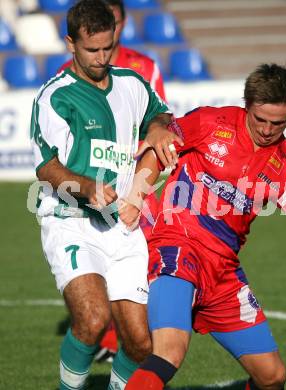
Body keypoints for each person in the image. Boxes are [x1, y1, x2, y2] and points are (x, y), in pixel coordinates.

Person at [122, 64, 286, 390]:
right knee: (169, 353)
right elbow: (159, 148)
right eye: (261, 120)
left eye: (279, 123)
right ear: (247, 105)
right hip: (177, 246)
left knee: (272, 377)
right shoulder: (211, 123)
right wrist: (136, 195)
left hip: (223, 270)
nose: (269, 130)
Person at [29, 1, 181, 389]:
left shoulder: (131, 84)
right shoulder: (55, 97)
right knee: (93, 320)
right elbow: (48, 168)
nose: (101, 58)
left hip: (123, 226)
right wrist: (87, 187)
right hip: (71, 222)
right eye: (91, 50)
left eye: (107, 48)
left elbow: (161, 115)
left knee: (141, 342)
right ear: (70, 44)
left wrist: (161, 128)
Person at [60, 0, 167, 363]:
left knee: (137, 275)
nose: (108, 41)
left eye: (116, 23)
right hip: (89, 196)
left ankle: (132, 340)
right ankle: (107, 337)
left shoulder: (143, 68)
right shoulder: (67, 77)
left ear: (121, 23)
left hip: (137, 178)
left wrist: (140, 164)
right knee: (96, 282)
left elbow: (160, 119)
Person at [59, 0, 166, 101]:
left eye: (114, 23)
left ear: (125, 22)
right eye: (101, 25)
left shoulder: (145, 67)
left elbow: (162, 117)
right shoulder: (66, 73)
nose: (108, 30)